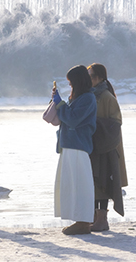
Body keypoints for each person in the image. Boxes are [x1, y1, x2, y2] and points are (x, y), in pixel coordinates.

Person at [52, 65, 97, 235]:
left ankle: (83, 222)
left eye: (71, 83)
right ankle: (80, 220)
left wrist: (60, 104)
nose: (70, 86)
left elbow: (72, 119)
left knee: (80, 184)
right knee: (73, 183)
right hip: (70, 145)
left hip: (78, 145)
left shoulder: (87, 98)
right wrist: (60, 103)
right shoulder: (80, 98)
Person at [87, 63, 126, 232]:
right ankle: (95, 217)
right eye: (87, 76)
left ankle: (102, 219)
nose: (90, 79)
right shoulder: (90, 95)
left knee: (103, 181)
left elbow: (116, 123)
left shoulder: (107, 97)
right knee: (93, 181)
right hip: (93, 145)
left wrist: (96, 126)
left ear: (101, 77)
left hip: (106, 147)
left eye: (92, 76)